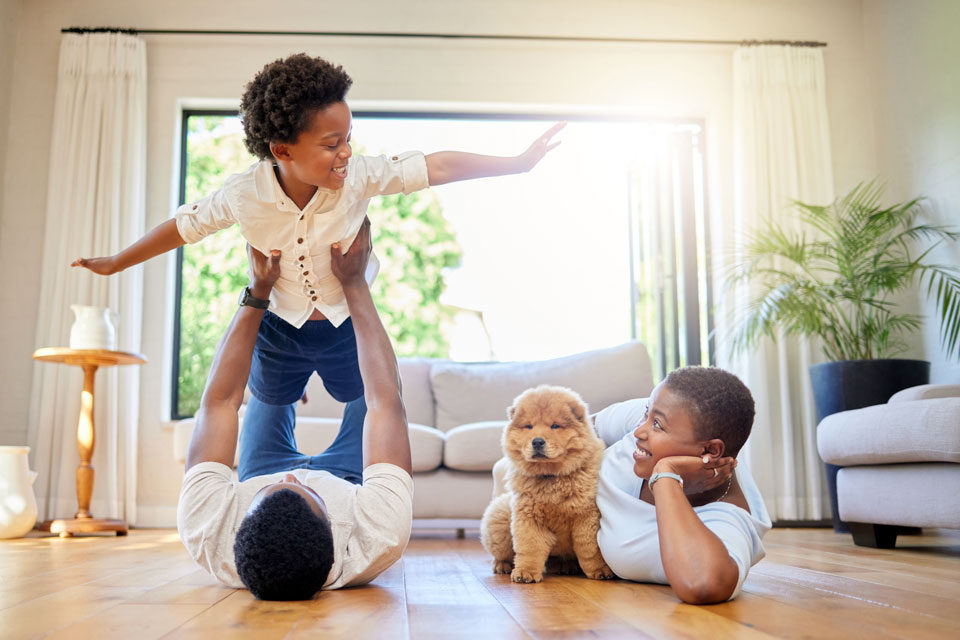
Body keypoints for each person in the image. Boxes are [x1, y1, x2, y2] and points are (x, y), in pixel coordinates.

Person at [72, 52, 564, 483]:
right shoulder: (244, 195)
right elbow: (183, 227)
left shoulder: (360, 176)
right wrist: (117, 263)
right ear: (282, 151)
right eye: (332, 144)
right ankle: (282, 421)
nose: (346, 152)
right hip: (279, 328)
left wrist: (517, 163)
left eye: (348, 137)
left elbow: (437, 167)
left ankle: (346, 472)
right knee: (270, 395)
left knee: (369, 398)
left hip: (342, 325)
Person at [177, 217, 415, 600]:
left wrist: (258, 290)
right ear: (335, 528)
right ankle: (304, 361)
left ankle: (286, 377)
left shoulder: (208, 530)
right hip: (348, 483)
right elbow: (385, 402)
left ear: (241, 523)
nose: (292, 478)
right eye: (307, 491)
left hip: (260, 470)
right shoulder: (378, 535)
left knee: (265, 394)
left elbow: (219, 402)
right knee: (368, 400)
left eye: (275, 489)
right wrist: (354, 283)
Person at [593, 366, 771, 604]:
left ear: (709, 450)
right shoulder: (655, 415)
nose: (639, 430)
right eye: (647, 414)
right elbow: (572, 426)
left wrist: (666, 476)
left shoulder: (727, 517)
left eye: (657, 425)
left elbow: (702, 584)